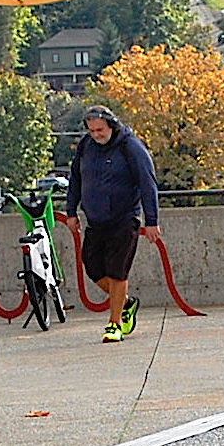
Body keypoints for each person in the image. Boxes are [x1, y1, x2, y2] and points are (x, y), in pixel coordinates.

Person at [64, 105, 161, 343]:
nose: (97, 134)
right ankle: (126, 302)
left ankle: (114, 323)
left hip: (124, 218)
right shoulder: (86, 147)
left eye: (100, 129)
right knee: (94, 269)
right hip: (96, 220)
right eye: (92, 130)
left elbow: (148, 183)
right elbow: (75, 178)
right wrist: (71, 211)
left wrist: (152, 221)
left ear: (111, 124)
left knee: (117, 271)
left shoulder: (130, 146)